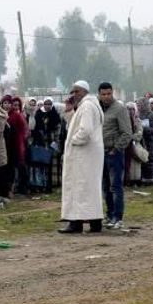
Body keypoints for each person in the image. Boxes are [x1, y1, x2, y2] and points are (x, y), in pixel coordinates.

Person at [58, 81, 105, 234]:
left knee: (80, 188)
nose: (74, 94)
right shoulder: (87, 106)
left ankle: (76, 222)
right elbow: (76, 126)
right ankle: (94, 222)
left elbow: (85, 131)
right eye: (73, 91)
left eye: (76, 91)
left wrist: (73, 141)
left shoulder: (87, 106)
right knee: (88, 189)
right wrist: (69, 111)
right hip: (88, 155)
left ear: (84, 91)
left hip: (83, 155)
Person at [98, 82, 133, 229]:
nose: (106, 97)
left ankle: (118, 217)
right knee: (105, 186)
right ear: (99, 94)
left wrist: (116, 148)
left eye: (109, 94)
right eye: (103, 94)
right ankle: (109, 214)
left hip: (114, 153)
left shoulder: (119, 108)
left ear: (112, 93)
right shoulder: (97, 108)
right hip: (100, 153)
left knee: (115, 186)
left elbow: (127, 132)